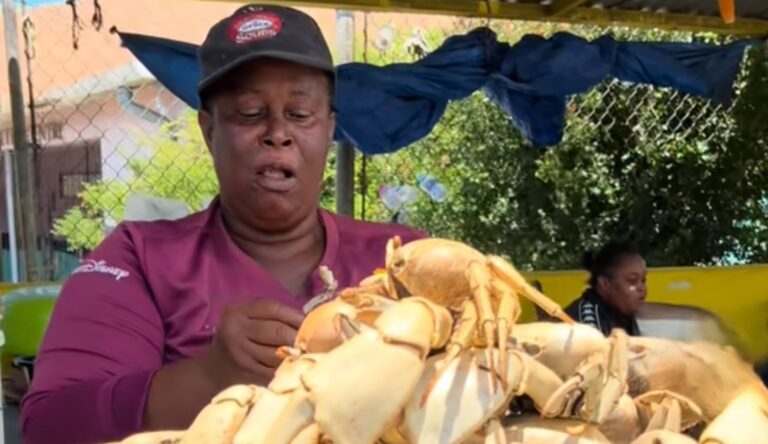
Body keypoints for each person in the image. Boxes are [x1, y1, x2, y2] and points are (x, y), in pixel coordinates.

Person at [19, 5, 426, 444]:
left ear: (329, 128)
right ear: (209, 131)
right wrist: (209, 377)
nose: (277, 132)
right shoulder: (140, 259)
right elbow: (49, 425)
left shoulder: (405, 260)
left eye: (300, 113)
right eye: (250, 112)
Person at [564, 241, 647, 337]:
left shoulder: (621, 310)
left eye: (643, 280)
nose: (641, 287)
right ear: (605, 283)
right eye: (632, 280)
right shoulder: (588, 321)